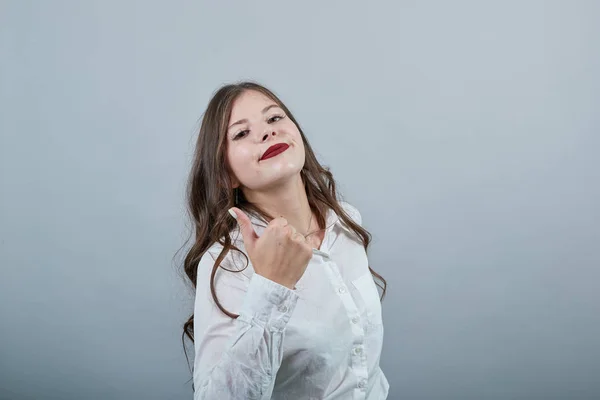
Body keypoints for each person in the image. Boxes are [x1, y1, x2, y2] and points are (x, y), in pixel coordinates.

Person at [180, 81, 389, 399]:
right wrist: (270, 287)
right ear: (227, 174)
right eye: (241, 133)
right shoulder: (229, 262)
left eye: (274, 118)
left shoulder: (345, 222)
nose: (266, 133)